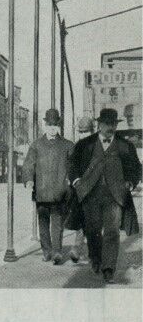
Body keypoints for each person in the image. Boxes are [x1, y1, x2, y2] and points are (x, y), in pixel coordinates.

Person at [69, 107, 142, 283]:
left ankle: (109, 268)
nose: (110, 127)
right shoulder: (85, 144)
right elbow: (72, 164)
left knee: (112, 231)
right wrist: (77, 181)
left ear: (116, 125)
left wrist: (130, 182)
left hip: (115, 196)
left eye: (113, 124)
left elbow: (136, 167)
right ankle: (96, 259)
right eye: (106, 123)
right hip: (90, 195)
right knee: (92, 230)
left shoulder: (125, 146)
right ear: (99, 125)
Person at [22, 108, 73, 264]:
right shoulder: (36, 145)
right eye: (49, 125)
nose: (52, 128)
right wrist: (29, 180)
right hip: (41, 192)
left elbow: (74, 165)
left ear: (58, 126)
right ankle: (46, 251)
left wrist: (70, 179)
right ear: (45, 125)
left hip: (59, 192)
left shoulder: (67, 145)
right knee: (43, 224)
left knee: (57, 224)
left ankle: (56, 252)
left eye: (55, 125)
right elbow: (28, 164)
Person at [67, 116, 93, 264]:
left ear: (92, 131)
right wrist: (76, 180)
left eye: (86, 132)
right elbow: (71, 167)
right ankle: (80, 250)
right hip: (80, 191)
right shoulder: (76, 148)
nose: (83, 135)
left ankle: (80, 250)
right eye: (81, 132)